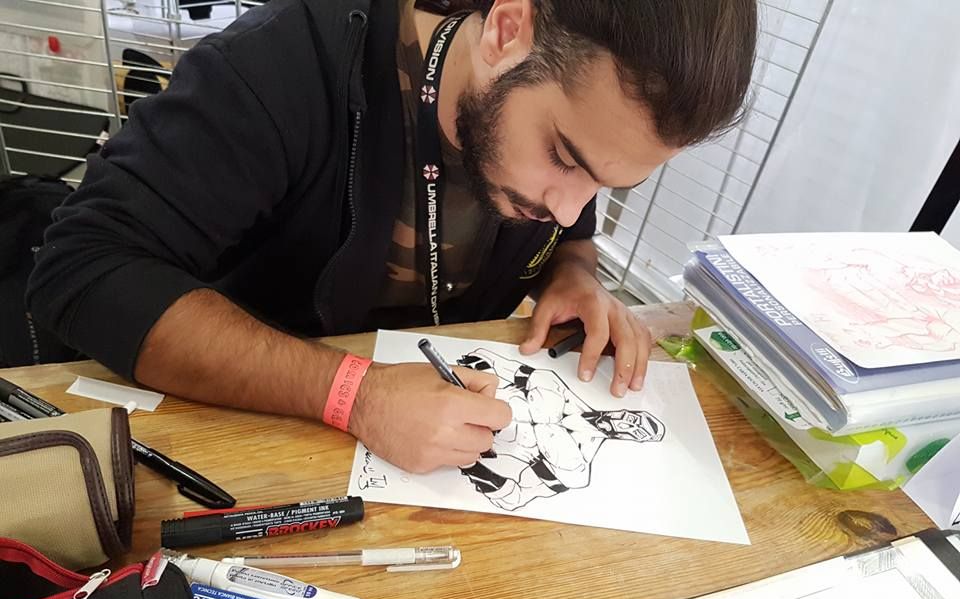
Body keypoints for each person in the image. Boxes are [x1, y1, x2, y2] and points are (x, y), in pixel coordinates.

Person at [26, 0, 757, 474]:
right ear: (508, 30)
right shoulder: (279, 71)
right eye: (564, 157)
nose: (570, 210)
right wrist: (357, 394)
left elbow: (570, 227)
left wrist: (575, 273)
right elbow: (83, 271)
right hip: (247, 446)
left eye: (606, 184)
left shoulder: (558, 149)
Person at [456, 348, 664, 510]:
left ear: (634, 438)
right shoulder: (553, 385)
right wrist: (469, 372)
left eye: (637, 430)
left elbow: (515, 498)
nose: (627, 424)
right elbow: (490, 360)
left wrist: (468, 465)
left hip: (466, 442)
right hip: (462, 397)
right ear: (628, 411)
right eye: (634, 419)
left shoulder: (576, 470)